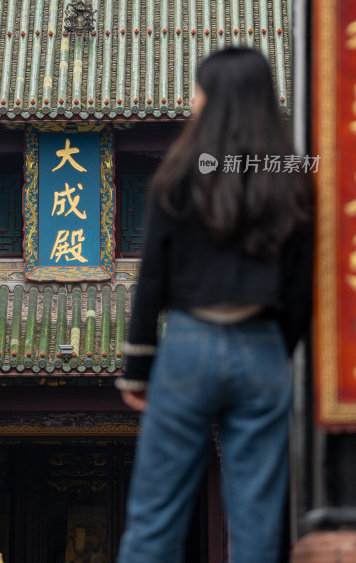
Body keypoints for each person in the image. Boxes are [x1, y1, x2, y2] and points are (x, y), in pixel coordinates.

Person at [115, 47, 314, 563]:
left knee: (153, 523)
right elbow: (299, 288)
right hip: (262, 348)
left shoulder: (179, 173)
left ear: (211, 98)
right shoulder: (290, 176)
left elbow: (151, 278)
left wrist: (137, 370)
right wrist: (275, 349)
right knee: (255, 530)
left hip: (188, 346)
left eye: (198, 90)